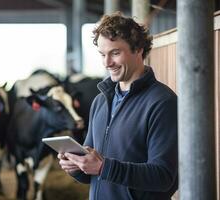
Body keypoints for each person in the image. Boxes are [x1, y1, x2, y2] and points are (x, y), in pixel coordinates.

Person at [58, 11, 178, 200]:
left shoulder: (163, 102)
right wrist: (76, 166)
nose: (107, 63)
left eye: (115, 53)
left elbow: (163, 176)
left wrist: (104, 167)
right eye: (102, 54)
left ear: (138, 49)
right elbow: (93, 174)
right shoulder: (100, 102)